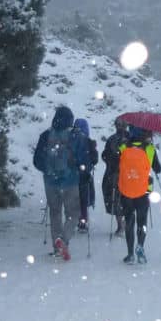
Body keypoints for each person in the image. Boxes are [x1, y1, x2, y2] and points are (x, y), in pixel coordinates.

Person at [32, 105, 86, 262]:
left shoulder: (46, 136)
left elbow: (37, 161)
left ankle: (57, 247)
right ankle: (64, 239)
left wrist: (48, 171)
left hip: (50, 182)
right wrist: (80, 171)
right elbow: (84, 161)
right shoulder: (76, 136)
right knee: (73, 214)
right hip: (70, 182)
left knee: (55, 213)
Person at [117, 126, 161, 264]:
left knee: (129, 220)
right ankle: (140, 247)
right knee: (142, 221)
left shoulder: (124, 147)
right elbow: (158, 169)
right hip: (144, 190)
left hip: (126, 190)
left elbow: (116, 165)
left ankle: (130, 254)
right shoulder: (149, 149)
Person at [101, 119, 129, 233]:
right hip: (128, 174)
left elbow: (105, 155)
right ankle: (126, 221)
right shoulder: (131, 139)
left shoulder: (112, 139)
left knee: (114, 198)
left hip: (113, 173)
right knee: (126, 198)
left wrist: (109, 161)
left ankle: (120, 224)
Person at [73, 118, 99, 233]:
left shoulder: (70, 139)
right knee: (83, 199)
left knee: (72, 197)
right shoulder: (88, 142)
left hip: (71, 174)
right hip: (84, 175)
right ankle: (83, 221)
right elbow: (95, 159)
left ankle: (72, 219)